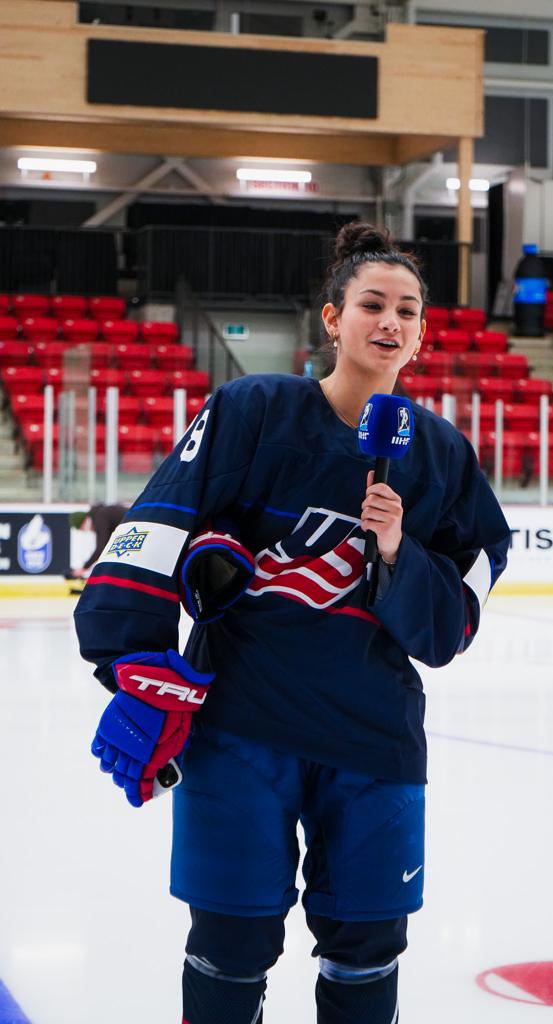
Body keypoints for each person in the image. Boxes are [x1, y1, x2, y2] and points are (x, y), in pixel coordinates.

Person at [74, 222, 511, 1024]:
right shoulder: (252, 410)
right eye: (371, 304)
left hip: (374, 737)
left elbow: (452, 622)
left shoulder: (442, 456)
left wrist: (397, 550)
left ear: (421, 334)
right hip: (240, 727)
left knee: (367, 947)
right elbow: (157, 522)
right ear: (332, 319)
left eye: (407, 310)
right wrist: (131, 663)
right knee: (229, 943)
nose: (390, 322)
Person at [67, 503, 128, 580]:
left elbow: (101, 548)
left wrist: (84, 568)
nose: (87, 530)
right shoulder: (100, 515)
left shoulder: (100, 518)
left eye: (82, 529)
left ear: (83, 522)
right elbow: (106, 546)